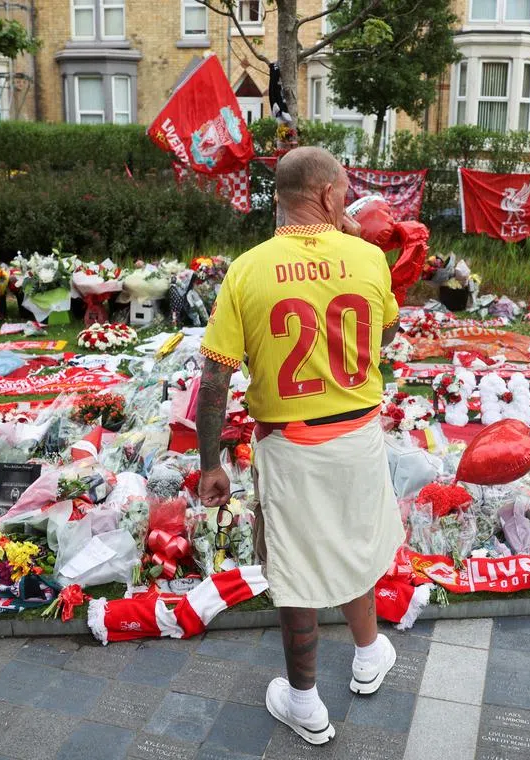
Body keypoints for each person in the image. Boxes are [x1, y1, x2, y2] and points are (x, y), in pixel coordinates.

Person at [196, 146, 404, 746]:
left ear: (281, 200)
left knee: (294, 570)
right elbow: (384, 327)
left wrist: (211, 464)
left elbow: (215, 376)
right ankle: (367, 654)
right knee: (359, 539)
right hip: (359, 435)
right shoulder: (367, 257)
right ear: (331, 193)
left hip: (290, 446)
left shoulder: (248, 268)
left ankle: (306, 701)